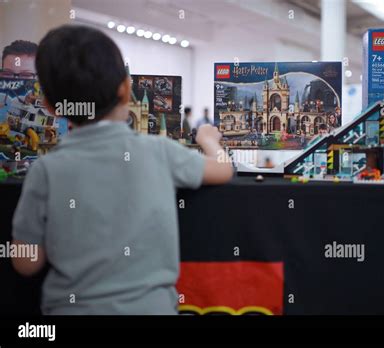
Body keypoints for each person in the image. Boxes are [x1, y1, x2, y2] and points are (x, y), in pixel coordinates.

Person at [11, 25, 233, 315]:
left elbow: (26, 263)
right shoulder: (159, 151)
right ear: (126, 89)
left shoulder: (46, 170)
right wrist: (207, 140)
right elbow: (223, 169)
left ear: (51, 107)